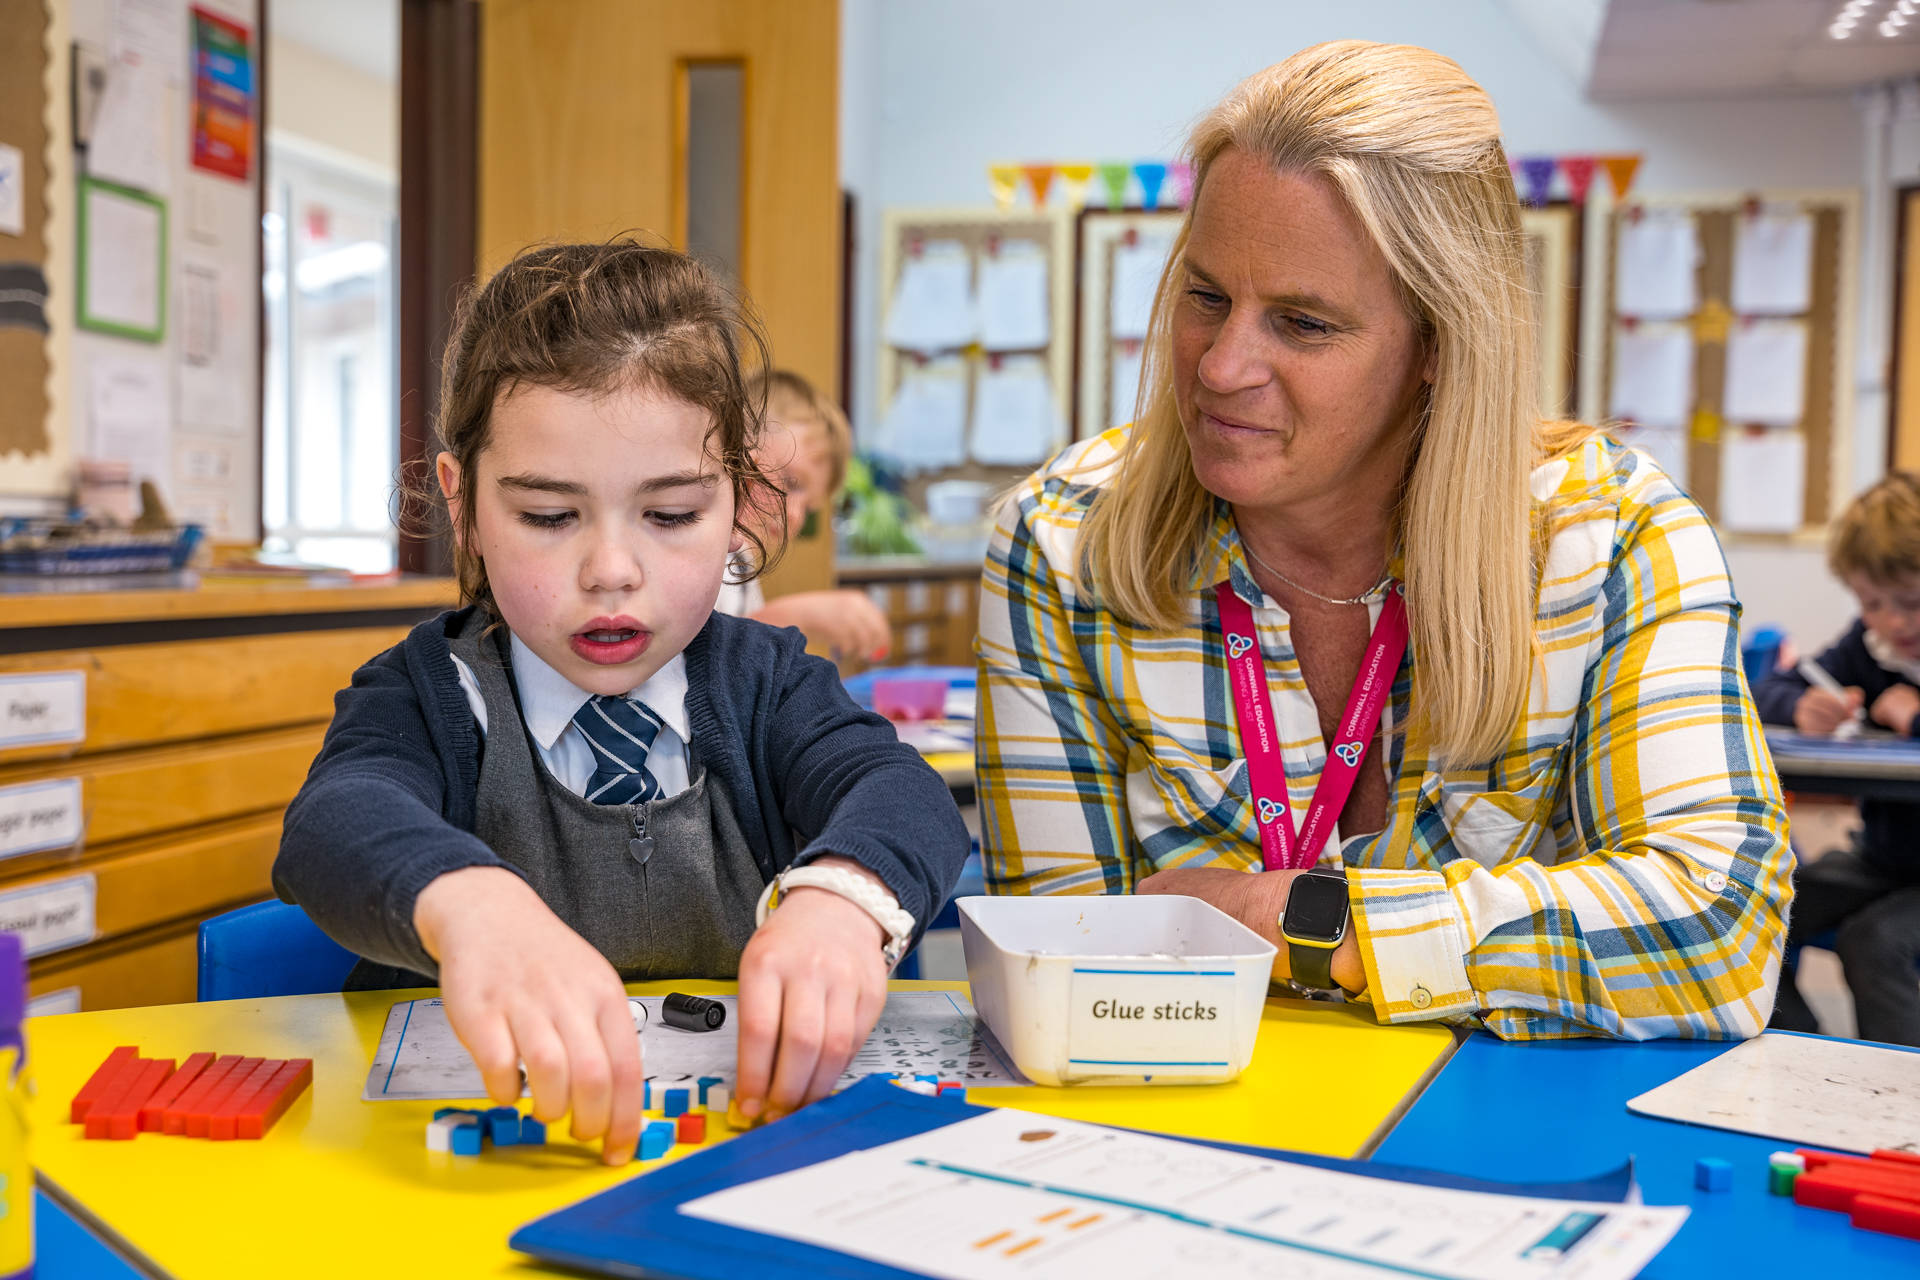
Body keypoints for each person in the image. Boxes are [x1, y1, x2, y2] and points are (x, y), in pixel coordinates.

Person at [975, 41, 1790, 1041]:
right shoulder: (1061, 541)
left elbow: (1722, 935)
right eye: (1205, 296)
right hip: (1195, 1138)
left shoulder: (1614, 534)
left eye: (1304, 323)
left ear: (1439, 348)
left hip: (1500, 1160)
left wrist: (1301, 920)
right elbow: (1058, 977)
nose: (1224, 365)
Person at [274, 240, 970, 1162]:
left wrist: (842, 904)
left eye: (673, 515)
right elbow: (333, 823)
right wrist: (473, 906)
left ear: (740, 505)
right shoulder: (425, 693)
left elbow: (903, 793)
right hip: (471, 1159)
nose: (611, 571)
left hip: (729, 1154)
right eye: (548, 517)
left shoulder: (767, 683)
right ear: (464, 502)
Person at [1758, 472, 1920, 1046]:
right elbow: (1767, 689)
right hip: (1883, 859)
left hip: (1900, 881)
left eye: (1912, 601)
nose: (1896, 622)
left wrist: (1912, 715)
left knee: (1875, 942)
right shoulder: (1867, 646)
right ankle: (1801, 1057)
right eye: (1874, 603)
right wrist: (1802, 704)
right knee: (1754, 920)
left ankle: (1899, 1107)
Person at [713, 369, 893, 664]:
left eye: (807, 507)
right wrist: (796, 616)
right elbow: (702, 655)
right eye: (791, 481)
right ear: (737, 445)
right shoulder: (693, 548)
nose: (794, 515)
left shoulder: (741, 560)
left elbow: (741, 670)